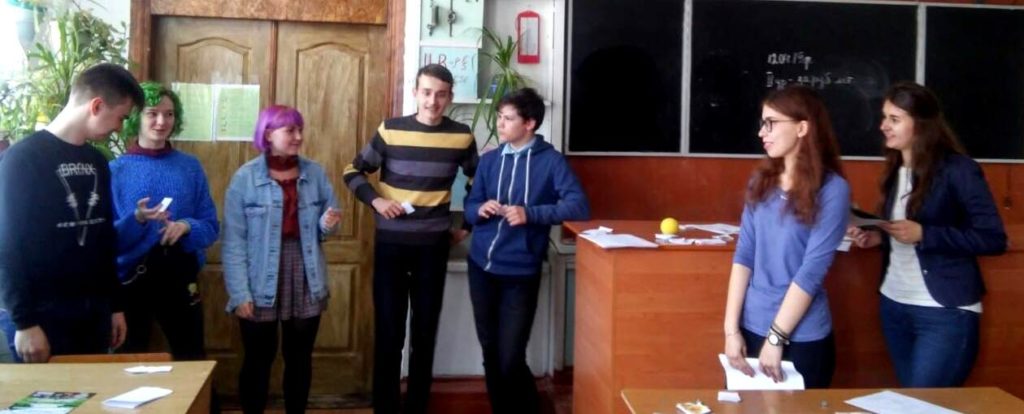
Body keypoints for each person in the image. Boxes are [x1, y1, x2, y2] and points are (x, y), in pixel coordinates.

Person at [847, 81, 1006, 387]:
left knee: (924, 404)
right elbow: (904, 232)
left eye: (894, 119)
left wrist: (925, 234)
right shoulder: (894, 170)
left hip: (944, 312)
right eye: (884, 117)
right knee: (912, 400)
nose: (883, 126)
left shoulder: (959, 169)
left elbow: (993, 238)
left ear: (920, 124)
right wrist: (880, 237)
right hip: (894, 304)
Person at [342, 64, 478, 414]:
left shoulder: (462, 136)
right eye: (427, 92)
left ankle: (417, 406)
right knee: (389, 333)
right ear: (415, 93)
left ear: (450, 97)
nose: (433, 101)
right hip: (391, 247)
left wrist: (467, 225)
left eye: (441, 94)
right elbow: (352, 171)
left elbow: (478, 182)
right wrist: (376, 201)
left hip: (433, 249)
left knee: (424, 333)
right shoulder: (390, 130)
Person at [0, 63, 143, 363]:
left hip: (94, 313)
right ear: (96, 106)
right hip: (41, 316)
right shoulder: (21, 160)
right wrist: (24, 322)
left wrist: (115, 306)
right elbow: (7, 246)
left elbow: (104, 239)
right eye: (121, 117)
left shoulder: (98, 161)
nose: (120, 128)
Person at [464, 87, 589, 414]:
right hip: (481, 268)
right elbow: (470, 207)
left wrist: (530, 213)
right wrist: (480, 209)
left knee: (510, 357)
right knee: (491, 352)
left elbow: (578, 206)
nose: (500, 124)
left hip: (519, 273)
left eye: (508, 118)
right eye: (499, 117)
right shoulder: (490, 160)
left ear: (529, 123)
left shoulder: (551, 161)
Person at [723, 84, 850, 388]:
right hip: (750, 326)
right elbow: (744, 255)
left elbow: (811, 271)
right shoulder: (761, 181)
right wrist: (731, 330)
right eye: (762, 123)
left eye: (771, 123)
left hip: (801, 336)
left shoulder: (833, 190)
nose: (761, 132)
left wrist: (776, 337)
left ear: (802, 128)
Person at [222, 105, 341, 414]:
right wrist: (239, 293)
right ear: (268, 134)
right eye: (290, 131)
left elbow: (327, 226)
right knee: (257, 359)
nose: (298, 136)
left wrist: (328, 223)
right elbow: (233, 242)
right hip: (259, 275)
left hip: (305, 271)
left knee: (299, 359)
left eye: (300, 130)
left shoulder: (315, 173)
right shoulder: (245, 178)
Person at [109, 81, 219, 360]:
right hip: (131, 278)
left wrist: (187, 226)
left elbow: (211, 226)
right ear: (136, 117)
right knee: (129, 359)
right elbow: (107, 239)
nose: (161, 122)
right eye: (152, 113)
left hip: (180, 273)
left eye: (169, 114)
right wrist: (137, 219)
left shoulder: (190, 167)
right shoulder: (115, 170)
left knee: (191, 356)